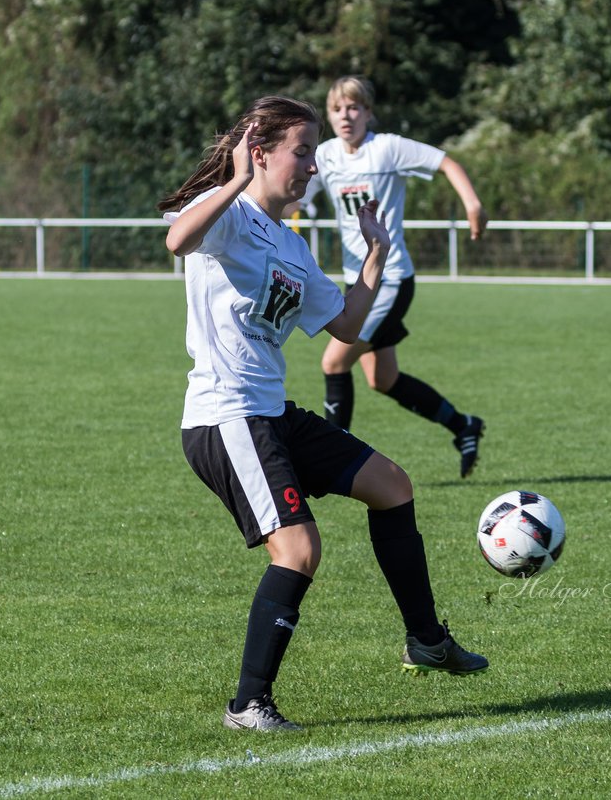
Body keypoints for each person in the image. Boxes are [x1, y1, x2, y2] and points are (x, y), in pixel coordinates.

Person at [159, 96, 487, 733]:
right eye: (302, 152)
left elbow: (341, 323)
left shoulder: (289, 242)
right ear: (261, 155)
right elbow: (178, 238)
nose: (314, 166)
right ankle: (248, 704)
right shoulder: (230, 218)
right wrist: (234, 181)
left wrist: (376, 254)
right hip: (226, 418)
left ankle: (426, 640)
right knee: (299, 548)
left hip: (271, 413)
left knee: (392, 486)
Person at [297, 75, 489, 478]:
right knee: (383, 379)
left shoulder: (387, 148)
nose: (345, 116)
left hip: (391, 277)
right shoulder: (327, 156)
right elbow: (294, 198)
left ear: (368, 112)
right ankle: (463, 425)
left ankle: (333, 461)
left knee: (334, 362)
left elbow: (446, 162)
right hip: (358, 279)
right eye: (337, 109)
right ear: (329, 116)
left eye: (354, 107)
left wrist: (472, 203)